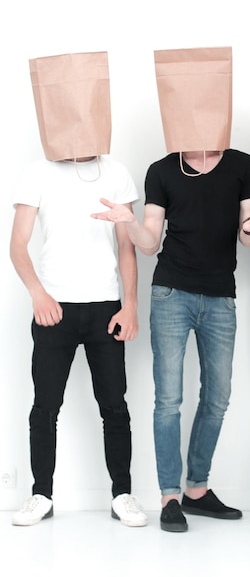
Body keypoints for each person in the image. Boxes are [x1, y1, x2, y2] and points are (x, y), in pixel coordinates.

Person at [93, 148, 250, 532]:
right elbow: (149, 243)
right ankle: (170, 498)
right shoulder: (161, 169)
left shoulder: (241, 165)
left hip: (220, 296)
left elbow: (245, 237)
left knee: (218, 396)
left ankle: (197, 490)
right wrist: (129, 221)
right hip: (171, 294)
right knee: (169, 400)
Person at [10, 154, 147, 527]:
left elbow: (126, 247)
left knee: (114, 404)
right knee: (45, 405)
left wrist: (130, 304)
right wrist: (38, 294)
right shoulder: (37, 171)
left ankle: (122, 494)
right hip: (54, 305)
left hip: (105, 306)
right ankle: (41, 494)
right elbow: (17, 244)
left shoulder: (116, 172)